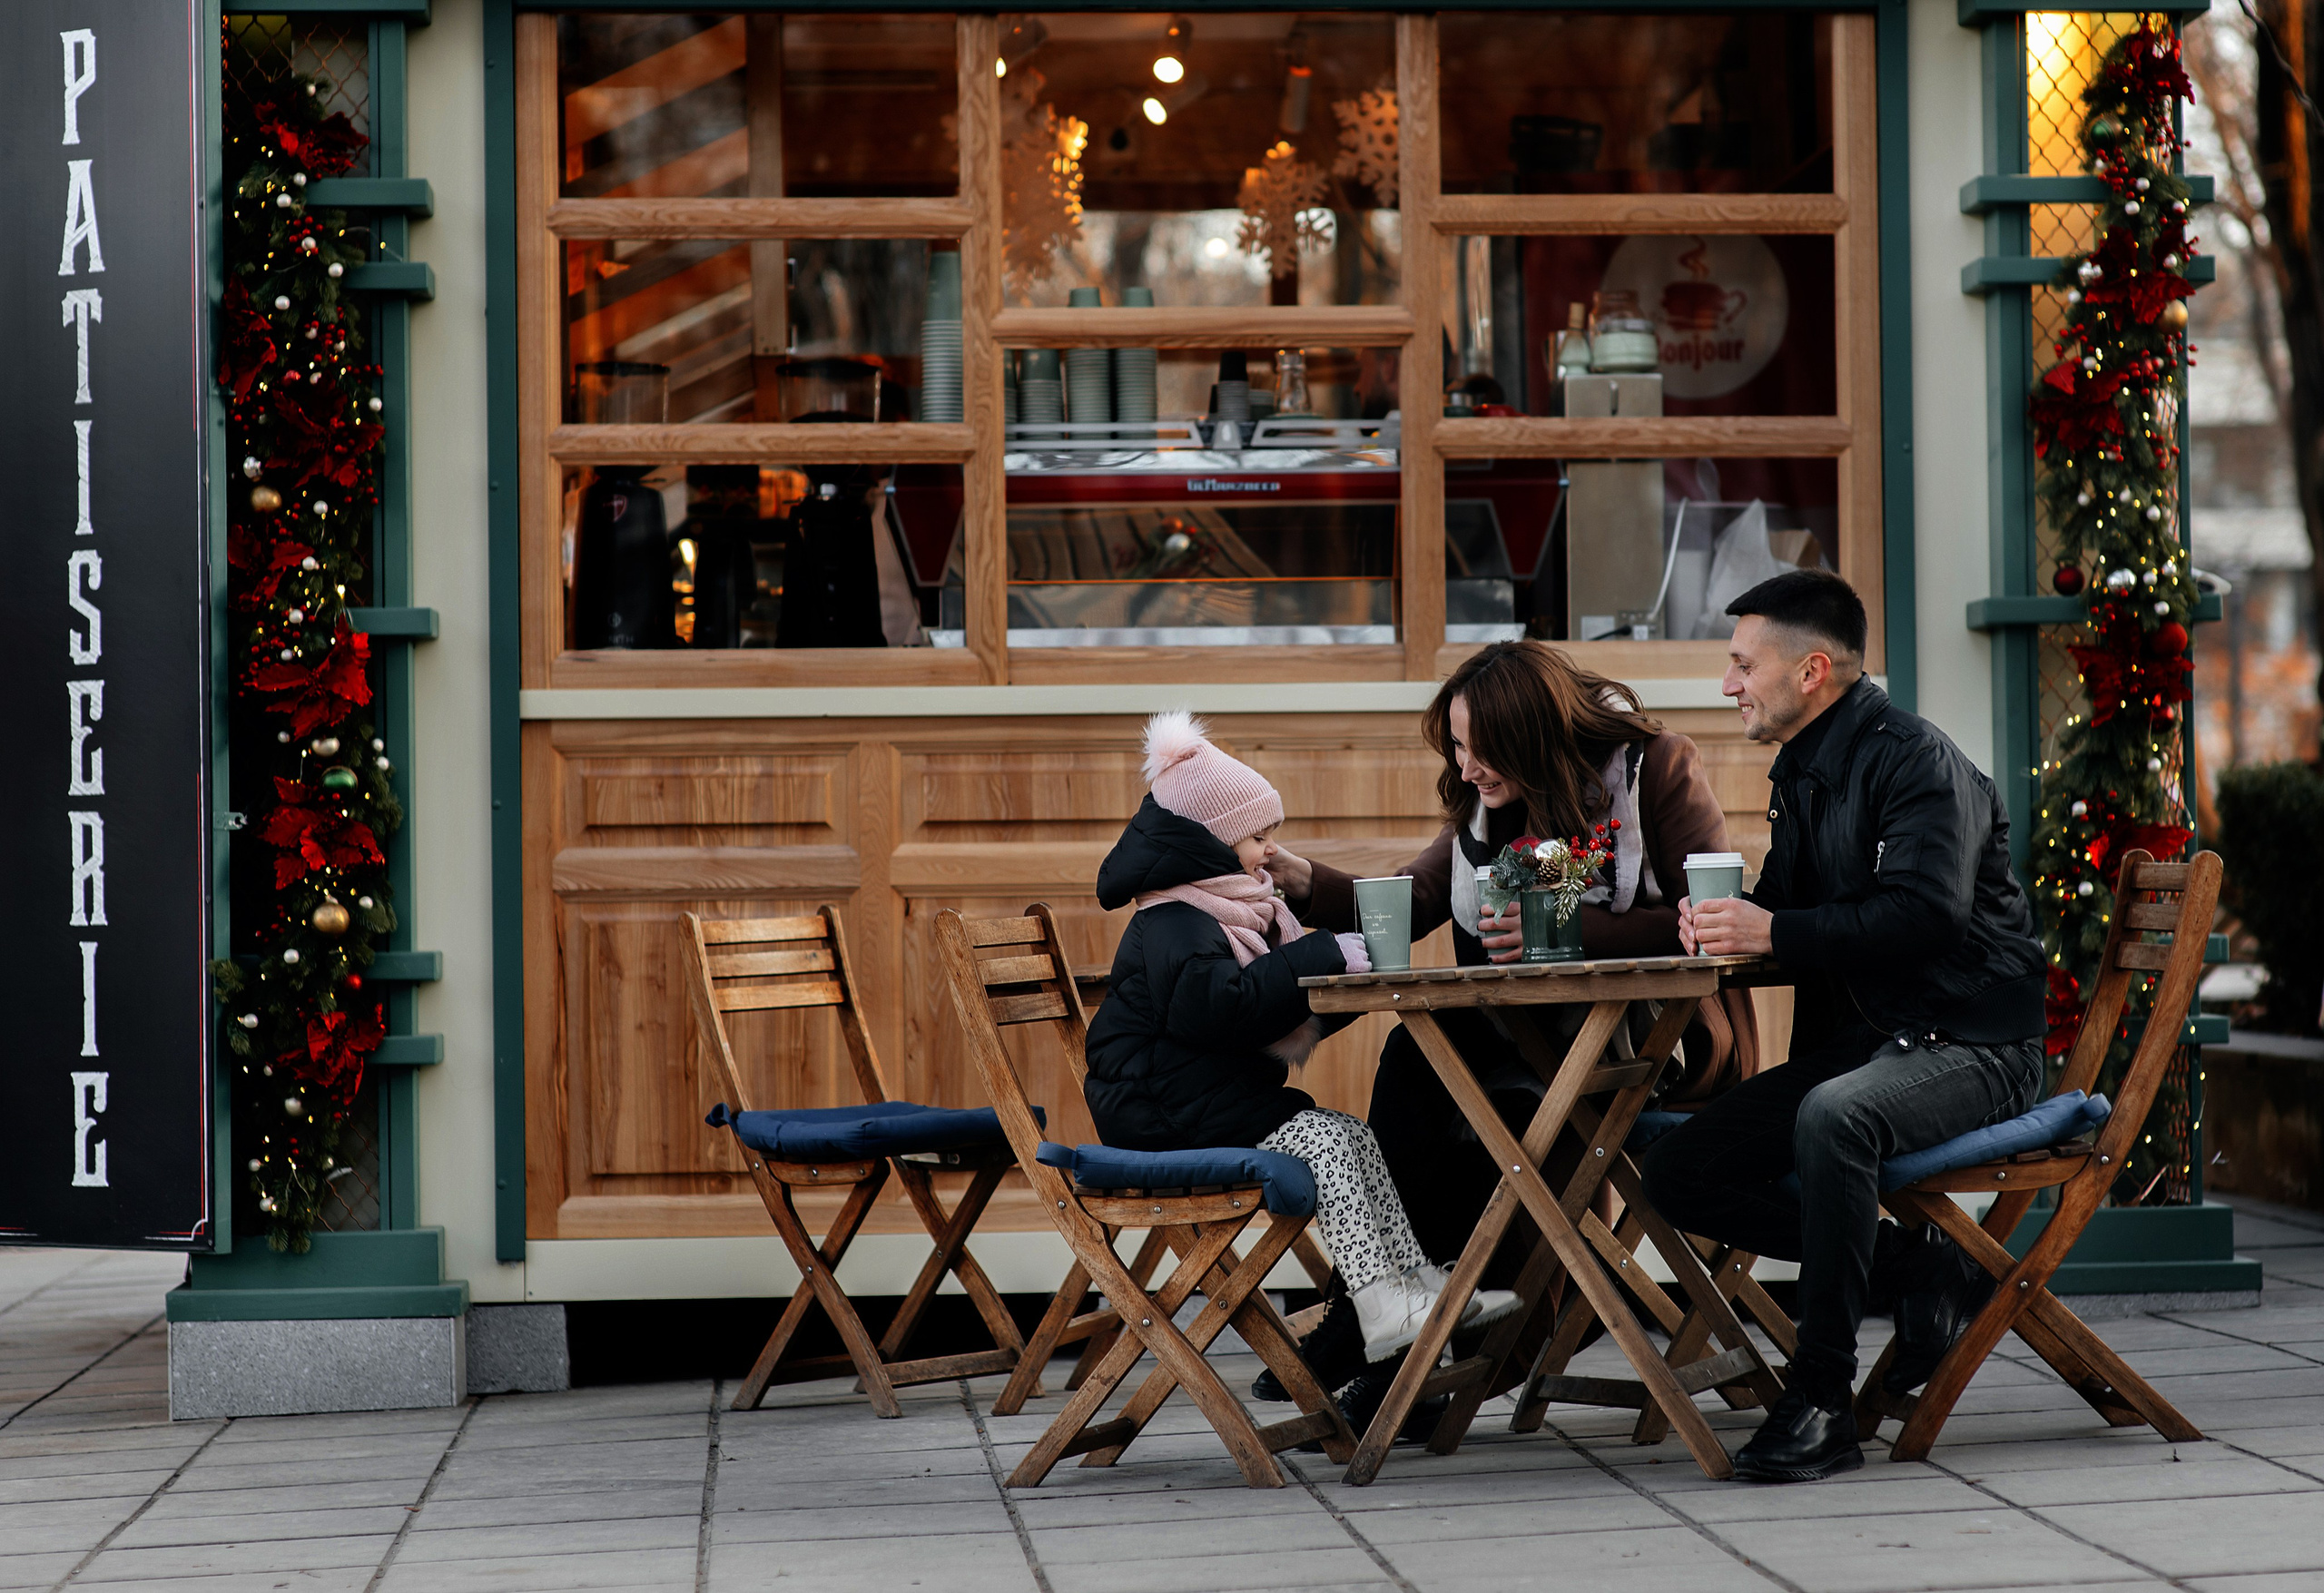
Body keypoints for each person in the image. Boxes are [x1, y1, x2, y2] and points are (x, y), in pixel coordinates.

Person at [1266, 641, 1751, 1414]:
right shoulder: (1491, 803)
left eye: (1478, 748)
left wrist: (1561, 927)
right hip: (1513, 1042)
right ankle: (1381, 1321)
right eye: (1457, 746)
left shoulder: (1653, 770)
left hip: (1635, 1047)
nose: (1464, 767)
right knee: (1417, 1063)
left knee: (1464, 1098)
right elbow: (1419, 896)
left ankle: (1403, 1354)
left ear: (1530, 735)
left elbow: (1713, 915)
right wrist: (1304, 882)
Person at [1641, 568, 2047, 1483]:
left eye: (1743, 664)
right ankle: (1920, 1269)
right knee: (1677, 1167)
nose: (1727, 684)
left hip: (1972, 1039)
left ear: (1811, 670)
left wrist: (1773, 928)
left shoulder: (1914, 761)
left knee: (1836, 1117)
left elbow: (1924, 916)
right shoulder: (1806, 771)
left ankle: (1821, 1398)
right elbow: (1786, 911)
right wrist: (1725, 921)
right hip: (1876, 1042)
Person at [1086, 712, 1521, 1364]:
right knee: (1329, 1144)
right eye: (1257, 836)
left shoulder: (1224, 905)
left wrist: (1338, 977)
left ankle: (1411, 1282)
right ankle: (1377, 1300)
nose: (1268, 852)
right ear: (1210, 840)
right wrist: (1316, 954)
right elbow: (1220, 1010)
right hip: (1164, 1113)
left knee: (1353, 1136)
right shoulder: (1174, 918)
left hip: (1209, 1100)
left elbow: (1264, 1012)